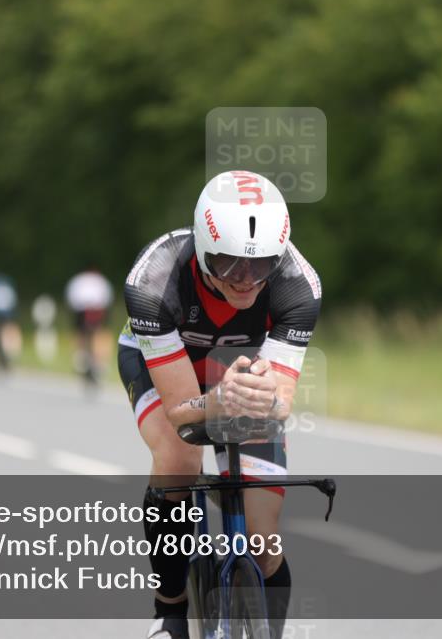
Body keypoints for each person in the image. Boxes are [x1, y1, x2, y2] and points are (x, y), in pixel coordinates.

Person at [118, 170, 321, 639]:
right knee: (178, 458)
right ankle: (170, 612)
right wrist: (217, 398)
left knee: (262, 539)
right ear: (203, 247)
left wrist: (259, 397)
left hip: (242, 373)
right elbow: (180, 410)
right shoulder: (153, 281)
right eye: (229, 264)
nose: (246, 280)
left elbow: (279, 403)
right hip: (165, 365)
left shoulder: (297, 285)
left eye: (261, 265)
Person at [65, 267, 114, 384]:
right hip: (96, 310)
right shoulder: (99, 280)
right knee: (97, 333)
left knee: (83, 332)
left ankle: (82, 357)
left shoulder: (80, 280)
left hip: (84, 310)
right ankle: (96, 361)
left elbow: (71, 297)